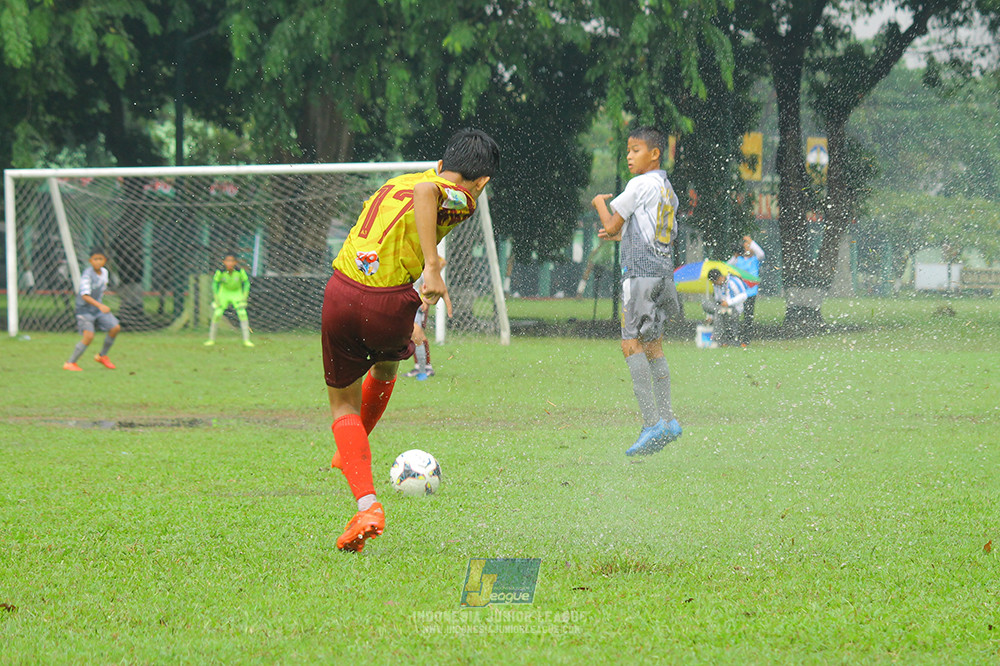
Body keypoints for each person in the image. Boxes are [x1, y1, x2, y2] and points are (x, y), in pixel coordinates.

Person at [323, 128, 499, 552]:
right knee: (384, 369)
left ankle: (365, 495)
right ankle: (356, 444)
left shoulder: (396, 180)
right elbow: (427, 193)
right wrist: (434, 267)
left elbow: (414, 191)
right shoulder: (461, 194)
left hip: (342, 290)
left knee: (344, 402)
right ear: (481, 180)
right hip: (388, 300)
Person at [591, 125, 683, 457]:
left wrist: (600, 203)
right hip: (663, 275)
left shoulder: (639, 184)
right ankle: (669, 420)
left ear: (654, 153)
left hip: (640, 278)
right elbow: (632, 233)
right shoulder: (666, 190)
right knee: (654, 346)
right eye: (628, 151)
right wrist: (616, 232)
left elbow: (613, 224)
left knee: (630, 345)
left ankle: (651, 423)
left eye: (636, 150)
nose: (629, 156)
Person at [63, 248, 121, 371]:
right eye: (95, 259)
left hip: (97, 308)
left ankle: (102, 356)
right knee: (89, 336)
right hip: (84, 310)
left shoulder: (104, 272)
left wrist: (99, 306)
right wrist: (100, 306)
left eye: (100, 259)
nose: (98, 262)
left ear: (105, 260)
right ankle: (70, 363)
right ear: (90, 261)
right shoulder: (87, 275)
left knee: (115, 327)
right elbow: (84, 296)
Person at [405, 257, 452, 380]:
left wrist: (428, 282)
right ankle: (420, 367)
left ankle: (425, 368)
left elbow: (441, 262)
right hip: (407, 301)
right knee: (413, 334)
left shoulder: (423, 253)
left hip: (419, 302)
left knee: (417, 333)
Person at [204, 254, 254, 347]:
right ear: (224, 262)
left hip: (236, 293)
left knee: (242, 314)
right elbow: (215, 284)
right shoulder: (220, 272)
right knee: (217, 314)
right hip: (224, 293)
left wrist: (244, 296)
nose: (229, 263)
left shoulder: (240, 271)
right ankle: (211, 339)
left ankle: (247, 340)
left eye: (232, 261)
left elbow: (246, 283)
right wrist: (216, 297)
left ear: (235, 262)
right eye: (227, 261)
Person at [727, 235, 764, 345]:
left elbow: (761, 253)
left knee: (748, 316)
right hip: (739, 291)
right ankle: (731, 337)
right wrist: (736, 255)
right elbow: (727, 266)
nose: (748, 248)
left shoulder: (755, 259)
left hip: (750, 292)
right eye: (746, 246)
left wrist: (751, 242)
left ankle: (745, 340)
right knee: (734, 315)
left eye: (749, 246)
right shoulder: (739, 260)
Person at [702, 267, 748, 347]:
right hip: (721, 308)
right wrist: (710, 316)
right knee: (706, 304)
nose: (715, 284)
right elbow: (717, 301)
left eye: (716, 281)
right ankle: (720, 339)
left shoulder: (733, 281)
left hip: (734, 308)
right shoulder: (716, 286)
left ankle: (717, 339)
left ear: (721, 277)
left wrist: (729, 302)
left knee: (719, 312)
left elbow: (744, 295)